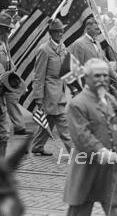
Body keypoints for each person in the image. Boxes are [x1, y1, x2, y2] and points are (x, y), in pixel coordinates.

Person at [63, 58, 117, 216]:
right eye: (97, 76)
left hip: (111, 169)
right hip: (87, 168)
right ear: (86, 77)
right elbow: (82, 137)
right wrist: (106, 154)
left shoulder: (109, 99)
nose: (102, 79)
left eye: (105, 75)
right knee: (79, 210)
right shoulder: (77, 104)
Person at [31, 18, 74, 156]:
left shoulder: (62, 47)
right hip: (50, 94)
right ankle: (76, 154)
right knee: (64, 125)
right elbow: (38, 75)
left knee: (48, 121)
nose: (61, 34)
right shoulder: (44, 50)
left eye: (62, 31)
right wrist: (38, 97)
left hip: (61, 92)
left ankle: (37, 146)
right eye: (58, 32)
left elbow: (66, 69)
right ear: (51, 33)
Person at [0, 12, 31, 136]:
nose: (9, 31)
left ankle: (19, 126)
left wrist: (12, 66)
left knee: (12, 98)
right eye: (7, 29)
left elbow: (8, 55)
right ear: (0, 28)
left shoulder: (4, 39)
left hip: (7, 75)